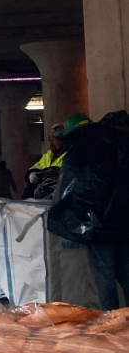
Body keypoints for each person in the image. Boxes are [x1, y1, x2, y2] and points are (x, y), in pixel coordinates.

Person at [49, 113, 129, 309]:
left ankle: (112, 321)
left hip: (98, 226)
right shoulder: (119, 142)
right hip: (124, 222)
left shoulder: (80, 152)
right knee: (126, 272)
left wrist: (68, 218)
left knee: (104, 275)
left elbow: (76, 191)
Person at [24, 124, 67, 200]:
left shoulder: (69, 156)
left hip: (59, 197)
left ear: (63, 141)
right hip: (43, 197)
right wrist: (31, 173)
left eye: (54, 140)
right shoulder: (48, 155)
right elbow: (34, 168)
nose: (51, 144)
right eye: (50, 140)